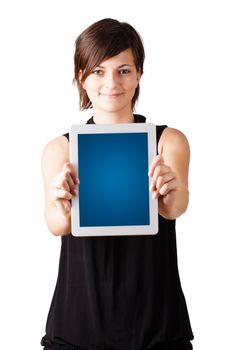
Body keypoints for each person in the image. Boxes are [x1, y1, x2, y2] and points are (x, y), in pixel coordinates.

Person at [41, 18, 194, 350]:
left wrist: (170, 190)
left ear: (139, 75)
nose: (111, 82)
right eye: (98, 70)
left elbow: (175, 207)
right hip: (77, 328)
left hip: (157, 329)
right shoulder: (61, 149)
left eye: (124, 70)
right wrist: (61, 203)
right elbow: (56, 224)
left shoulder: (168, 141)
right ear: (81, 76)